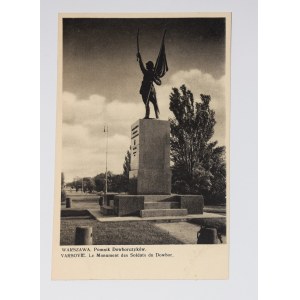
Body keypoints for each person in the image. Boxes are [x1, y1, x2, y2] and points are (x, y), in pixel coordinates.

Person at [137, 52, 161, 119]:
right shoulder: (146, 72)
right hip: (144, 89)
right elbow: (141, 66)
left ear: (149, 66)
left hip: (150, 90)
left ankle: (156, 115)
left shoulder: (153, 73)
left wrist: (154, 79)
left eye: (147, 65)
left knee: (153, 102)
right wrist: (139, 58)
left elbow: (159, 83)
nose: (146, 66)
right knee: (147, 103)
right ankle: (148, 115)